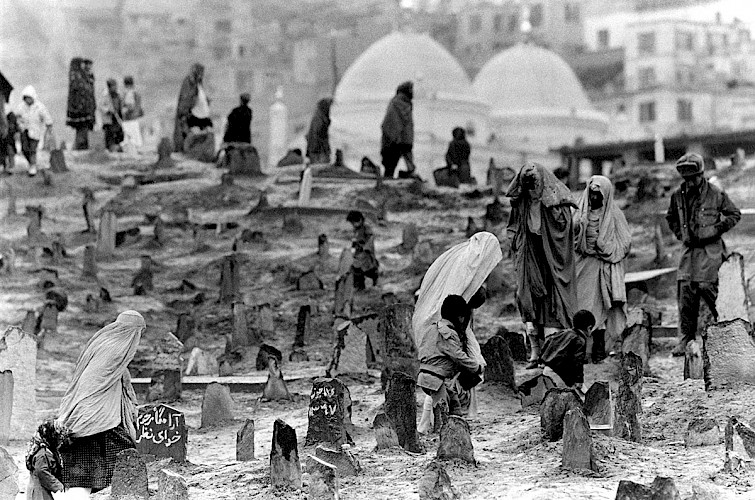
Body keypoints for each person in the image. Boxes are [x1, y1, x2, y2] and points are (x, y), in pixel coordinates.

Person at [413, 231, 502, 431]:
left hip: (454, 327)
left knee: (455, 383)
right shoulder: (464, 267)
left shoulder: (463, 264)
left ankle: (454, 421)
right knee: (442, 386)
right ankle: (430, 426)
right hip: (444, 329)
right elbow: (474, 297)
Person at [56, 311, 146, 496]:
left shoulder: (104, 344)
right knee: (87, 479)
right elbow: (93, 384)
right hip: (94, 423)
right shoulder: (115, 351)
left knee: (115, 470)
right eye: (137, 335)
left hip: (95, 419)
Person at [666, 153, 741, 355]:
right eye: (686, 178)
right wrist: (681, 234)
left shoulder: (716, 193)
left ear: (701, 174)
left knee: (710, 290)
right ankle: (686, 340)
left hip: (711, 252)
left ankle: (730, 336)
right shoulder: (677, 195)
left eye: (694, 178)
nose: (690, 182)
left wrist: (716, 229)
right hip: (689, 252)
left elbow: (734, 214)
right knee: (685, 294)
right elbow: (671, 217)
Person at [506, 162, 577, 368]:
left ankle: (551, 352)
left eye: (535, 185)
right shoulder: (521, 203)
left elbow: (565, 229)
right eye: (528, 186)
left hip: (552, 256)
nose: (532, 191)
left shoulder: (556, 203)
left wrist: (553, 215)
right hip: (530, 254)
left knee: (552, 302)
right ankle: (535, 351)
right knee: (526, 298)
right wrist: (516, 243)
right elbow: (513, 226)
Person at [573, 175, 631, 357]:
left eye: (599, 195)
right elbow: (570, 237)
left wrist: (605, 247)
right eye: (592, 194)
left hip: (605, 266)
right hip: (583, 265)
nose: (595, 198)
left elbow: (624, 242)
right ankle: (581, 350)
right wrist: (578, 228)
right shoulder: (580, 211)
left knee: (606, 308)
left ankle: (600, 349)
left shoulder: (614, 215)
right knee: (583, 307)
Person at [417, 295, 482, 416]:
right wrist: (476, 367)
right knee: (444, 413)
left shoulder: (432, 328)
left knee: (454, 408)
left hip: (429, 377)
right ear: (458, 316)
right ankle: (440, 433)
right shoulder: (447, 333)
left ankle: (449, 430)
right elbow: (458, 356)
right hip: (435, 378)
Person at [541, 309, 595, 392]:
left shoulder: (563, 332)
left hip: (547, 370)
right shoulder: (580, 340)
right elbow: (578, 361)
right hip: (561, 376)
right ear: (589, 328)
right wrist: (579, 380)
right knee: (581, 397)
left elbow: (548, 341)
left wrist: (540, 360)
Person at [380, 81, 416, 179]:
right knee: (407, 165)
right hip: (403, 140)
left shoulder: (395, 103)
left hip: (394, 140)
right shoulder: (406, 105)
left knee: (389, 168)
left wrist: (394, 137)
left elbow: (388, 124)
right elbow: (394, 123)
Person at [25, 419, 68, 500]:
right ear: (51, 436)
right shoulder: (43, 453)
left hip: (41, 489)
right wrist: (58, 486)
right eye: (59, 437)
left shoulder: (47, 449)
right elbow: (42, 472)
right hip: (39, 492)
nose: (61, 440)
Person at [16, 86, 53, 177]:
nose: (27, 100)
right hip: (24, 131)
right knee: (24, 149)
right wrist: (20, 125)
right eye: (26, 98)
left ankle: (33, 166)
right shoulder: (21, 107)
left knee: (33, 149)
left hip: (35, 131)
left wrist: (49, 126)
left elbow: (46, 117)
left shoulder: (39, 107)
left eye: (29, 98)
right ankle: (32, 163)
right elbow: (18, 118)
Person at [174, 63, 211, 152]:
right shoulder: (188, 82)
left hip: (199, 114)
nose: (201, 75)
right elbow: (185, 98)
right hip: (188, 114)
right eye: (200, 73)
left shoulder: (198, 83)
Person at [66, 58, 96, 150]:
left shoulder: (83, 76)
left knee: (84, 130)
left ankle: (81, 147)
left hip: (85, 109)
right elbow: (81, 92)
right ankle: (80, 148)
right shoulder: (76, 76)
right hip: (81, 110)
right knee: (82, 131)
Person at [346, 210, 379, 290]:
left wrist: (364, 247)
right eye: (352, 223)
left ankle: (373, 283)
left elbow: (370, 239)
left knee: (368, 271)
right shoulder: (356, 230)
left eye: (354, 222)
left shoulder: (366, 228)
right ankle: (360, 287)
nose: (353, 225)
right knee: (356, 272)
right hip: (358, 255)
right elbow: (355, 241)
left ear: (360, 220)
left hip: (366, 255)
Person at [305, 97, 332, 164]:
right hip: (318, 152)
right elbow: (314, 135)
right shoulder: (318, 119)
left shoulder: (320, 118)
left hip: (318, 151)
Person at [99, 79, 123, 152]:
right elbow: (101, 106)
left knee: (118, 135)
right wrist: (108, 110)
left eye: (115, 85)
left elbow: (120, 105)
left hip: (117, 120)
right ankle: (110, 149)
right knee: (109, 136)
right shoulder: (105, 95)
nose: (115, 87)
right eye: (113, 86)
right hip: (108, 121)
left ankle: (117, 148)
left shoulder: (118, 95)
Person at [121, 76, 144, 150]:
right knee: (136, 139)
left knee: (130, 139)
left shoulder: (129, 93)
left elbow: (130, 106)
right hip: (135, 118)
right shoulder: (136, 93)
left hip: (129, 119)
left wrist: (124, 110)